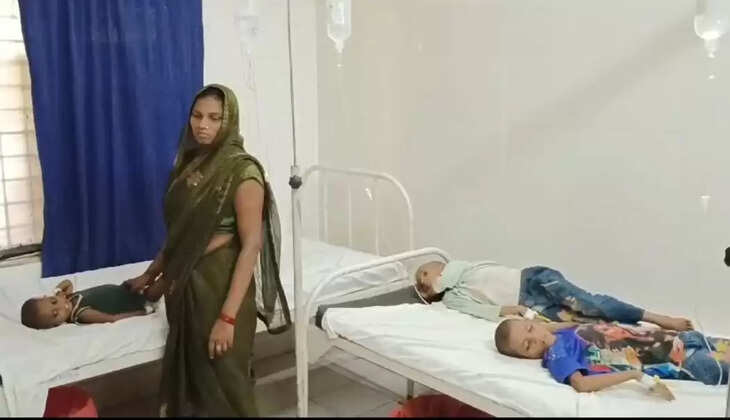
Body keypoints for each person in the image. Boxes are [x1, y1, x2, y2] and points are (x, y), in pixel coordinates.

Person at [123, 84, 291, 417]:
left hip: (220, 288)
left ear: (229, 121)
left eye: (215, 118)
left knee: (228, 388)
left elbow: (251, 246)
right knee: (194, 387)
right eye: (197, 116)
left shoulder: (244, 172)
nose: (203, 125)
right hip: (185, 288)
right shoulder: (190, 165)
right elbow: (180, 236)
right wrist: (152, 274)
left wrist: (227, 318)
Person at [414, 260, 693, 331]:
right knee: (583, 324)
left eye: (424, 273)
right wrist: (508, 311)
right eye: (419, 283)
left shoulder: (457, 268)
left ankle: (658, 318)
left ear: (439, 267)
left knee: (590, 304)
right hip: (528, 302)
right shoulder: (451, 299)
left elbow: (445, 279)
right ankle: (636, 331)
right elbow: (478, 310)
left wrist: (431, 287)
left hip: (534, 280)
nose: (423, 280)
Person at [493, 318, 729, 395]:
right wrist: (635, 376)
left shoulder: (562, 332)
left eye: (531, 329)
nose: (537, 339)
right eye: (528, 345)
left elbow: (546, 326)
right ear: (526, 357)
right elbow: (581, 384)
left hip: (685, 339)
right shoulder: (557, 356)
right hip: (684, 361)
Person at [21, 279, 151, 329]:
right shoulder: (80, 313)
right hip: (129, 302)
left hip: (123, 289)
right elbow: (112, 318)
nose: (61, 306)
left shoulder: (67, 298)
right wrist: (139, 313)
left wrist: (58, 292)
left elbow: (67, 282)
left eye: (53, 302)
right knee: (153, 291)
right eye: (56, 313)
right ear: (56, 324)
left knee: (146, 278)